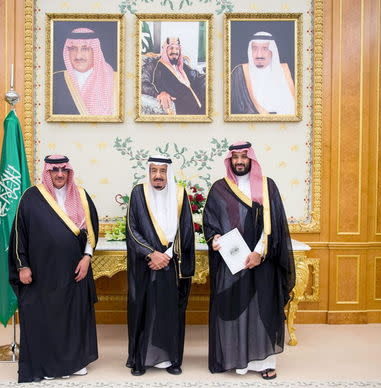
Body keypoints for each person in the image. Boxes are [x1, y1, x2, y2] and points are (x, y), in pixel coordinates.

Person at [203, 142, 295, 380]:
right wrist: (214, 238)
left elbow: (274, 225)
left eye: (244, 156)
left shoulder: (267, 186)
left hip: (262, 261)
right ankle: (236, 359)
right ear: (230, 160)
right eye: (235, 157)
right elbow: (210, 222)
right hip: (231, 263)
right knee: (232, 310)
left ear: (251, 159)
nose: (240, 161)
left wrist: (259, 253)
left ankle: (265, 362)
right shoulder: (219, 188)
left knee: (262, 310)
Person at [8, 155, 99, 383]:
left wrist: (87, 257)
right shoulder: (31, 197)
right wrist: (23, 266)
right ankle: (49, 364)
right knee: (46, 319)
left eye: (64, 170)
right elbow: (19, 233)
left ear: (69, 172)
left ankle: (75, 362)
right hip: (42, 274)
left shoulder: (80, 195)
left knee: (74, 317)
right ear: (47, 172)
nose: (60, 174)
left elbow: (92, 230)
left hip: (74, 271)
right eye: (55, 170)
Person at [125, 156, 195, 376]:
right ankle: (140, 360)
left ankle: (171, 359)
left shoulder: (179, 193)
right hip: (144, 265)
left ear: (168, 173)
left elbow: (185, 230)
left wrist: (167, 254)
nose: (158, 175)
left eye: (162, 171)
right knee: (143, 310)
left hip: (171, 263)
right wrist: (151, 254)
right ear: (149, 172)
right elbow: (132, 229)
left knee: (170, 312)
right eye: (154, 170)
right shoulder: (138, 192)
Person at [53, 27, 118, 116]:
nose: (78, 56)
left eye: (85, 49)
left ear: (95, 51)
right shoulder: (55, 80)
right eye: (73, 49)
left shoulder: (116, 80)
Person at [231, 31, 295, 115]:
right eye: (254, 49)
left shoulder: (287, 72)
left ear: (272, 51)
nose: (259, 55)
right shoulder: (240, 73)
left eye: (265, 49)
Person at [142, 37, 206, 115]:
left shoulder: (182, 66)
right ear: (165, 50)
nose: (175, 51)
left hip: (201, 107)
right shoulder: (154, 65)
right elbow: (143, 83)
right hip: (182, 110)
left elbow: (197, 77)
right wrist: (159, 93)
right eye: (171, 48)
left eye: (177, 48)